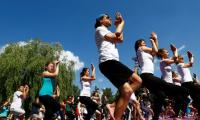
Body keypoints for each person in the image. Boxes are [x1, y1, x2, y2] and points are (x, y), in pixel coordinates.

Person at [95, 12, 142, 120]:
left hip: (110, 63)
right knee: (137, 81)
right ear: (100, 21)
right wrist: (122, 22)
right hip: (108, 62)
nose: (110, 18)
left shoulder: (107, 31)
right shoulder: (100, 29)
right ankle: (113, 105)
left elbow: (120, 39)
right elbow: (117, 35)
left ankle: (113, 109)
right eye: (107, 17)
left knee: (128, 91)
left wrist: (118, 26)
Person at [134, 32, 189, 120]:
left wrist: (156, 39)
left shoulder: (146, 53)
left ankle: (155, 118)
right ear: (138, 44)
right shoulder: (140, 49)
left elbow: (155, 51)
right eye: (142, 42)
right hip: (146, 75)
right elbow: (155, 50)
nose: (144, 42)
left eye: (144, 42)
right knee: (167, 86)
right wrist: (153, 41)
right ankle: (186, 91)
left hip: (148, 77)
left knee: (161, 95)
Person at [176, 51, 200, 118]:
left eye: (183, 58)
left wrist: (190, 57)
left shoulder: (182, 65)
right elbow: (191, 64)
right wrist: (192, 57)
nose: (183, 59)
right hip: (187, 83)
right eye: (181, 58)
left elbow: (190, 64)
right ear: (178, 60)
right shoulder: (180, 65)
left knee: (196, 98)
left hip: (186, 83)